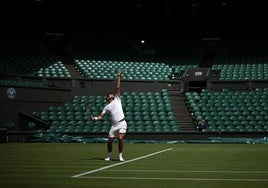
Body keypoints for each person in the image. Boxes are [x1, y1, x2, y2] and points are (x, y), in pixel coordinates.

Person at [91, 70, 127, 162]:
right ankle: (109, 155)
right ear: (108, 97)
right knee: (110, 140)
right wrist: (95, 118)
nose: (112, 94)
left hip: (122, 123)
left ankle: (120, 156)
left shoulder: (117, 99)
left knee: (120, 138)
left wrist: (118, 76)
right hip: (114, 125)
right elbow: (101, 117)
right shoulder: (106, 107)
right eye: (110, 94)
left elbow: (118, 87)